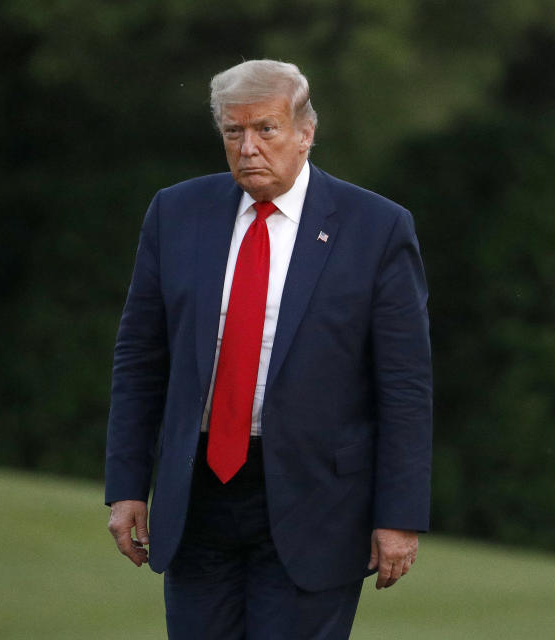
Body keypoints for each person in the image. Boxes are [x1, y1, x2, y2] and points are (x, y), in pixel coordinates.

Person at [105, 59, 433, 639]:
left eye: (266, 129)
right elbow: (140, 358)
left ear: (306, 133)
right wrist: (128, 486)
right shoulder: (175, 213)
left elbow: (404, 385)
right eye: (234, 132)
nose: (249, 147)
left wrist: (399, 516)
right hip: (199, 493)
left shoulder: (376, 228)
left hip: (319, 503)